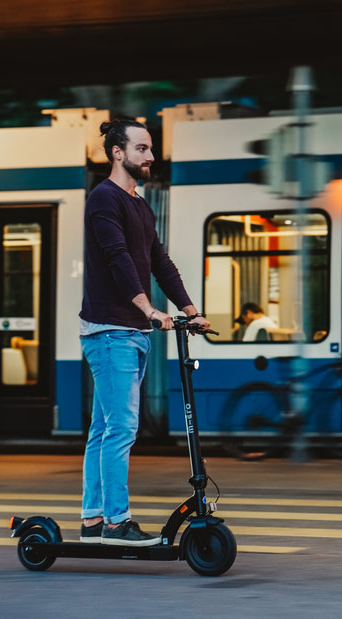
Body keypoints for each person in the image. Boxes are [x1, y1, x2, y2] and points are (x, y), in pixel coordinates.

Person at [79, 119, 210, 546]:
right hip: (111, 330)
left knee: (104, 429)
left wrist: (191, 310)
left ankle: (93, 520)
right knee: (120, 430)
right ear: (117, 152)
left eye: (150, 149)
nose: (150, 156)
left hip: (131, 331)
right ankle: (116, 524)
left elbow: (160, 263)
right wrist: (149, 308)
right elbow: (117, 260)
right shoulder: (104, 200)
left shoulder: (140, 204)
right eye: (141, 149)